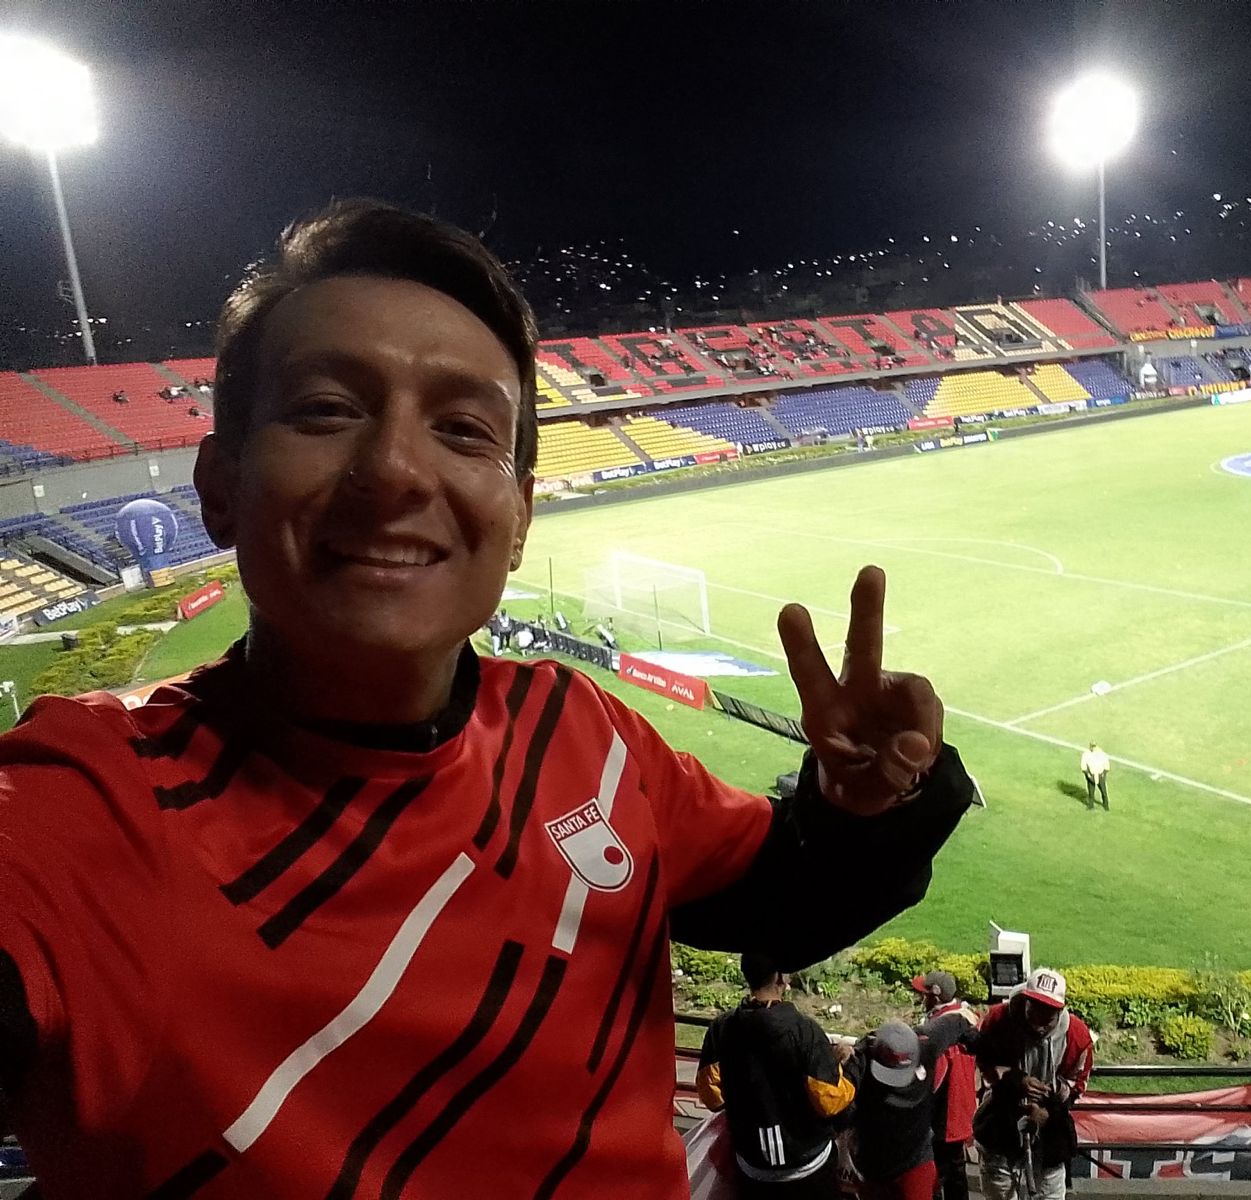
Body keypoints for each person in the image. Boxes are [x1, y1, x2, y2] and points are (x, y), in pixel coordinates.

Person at [0, 200, 975, 1199]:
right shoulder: (91, 807)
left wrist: (866, 805)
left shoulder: (586, 734)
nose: (393, 470)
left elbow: (782, 897)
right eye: (327, 410)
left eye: (463, 429)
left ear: (517, 523)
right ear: (219, 483)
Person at [696, 954, 854, 1197]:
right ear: (781, 977)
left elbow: (712, 1097)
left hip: (753, 1167)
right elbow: (830, 1101)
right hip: (808, 1167)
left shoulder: (721, 1028)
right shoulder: (805, 1030)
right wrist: (842, 1066)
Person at [972, 968, 1093, 1199]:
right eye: (1034, 1012)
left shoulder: (1077, 1037)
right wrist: (1016, 1080)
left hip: (1050, 1132)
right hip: (1000, 1120)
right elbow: (984, 1064)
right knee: (1000, 1191)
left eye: (1047, 1018)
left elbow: (1076, 1084)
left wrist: (1048, 1110)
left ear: (1060, 1011)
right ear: (1025, 1001)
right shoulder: (998, 1020)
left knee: (1049, 1190)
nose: (1039, 1024)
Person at [843, 1014, 979, 1200]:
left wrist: (976, 1040)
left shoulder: (927, 1045)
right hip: (873, 1166)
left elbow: (956, 1022)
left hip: (914, 1163)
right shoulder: (860, 1063)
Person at [912, 970, 980, 1200]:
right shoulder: (964, 1019)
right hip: (959, 1110)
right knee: (954, 1169)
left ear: (935, 996)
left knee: (944, 1171)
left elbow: (935, 1076)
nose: (922, 999)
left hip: (945, 1112)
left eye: (925, 994)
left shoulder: (945, 1028)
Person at [1079, 742, 1109, 810]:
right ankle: (1091, 805)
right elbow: (1083, 765)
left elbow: (1106, 765)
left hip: (1100, 774)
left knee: (1103, 791)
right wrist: (1088, 774)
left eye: (1094, 746)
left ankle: (1106, 805)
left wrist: (1103, 774)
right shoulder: (1086, 754)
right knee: (1091, 791)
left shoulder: (1102, 754)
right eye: (1092, 746)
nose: (1093, 748)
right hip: (1091, 774)